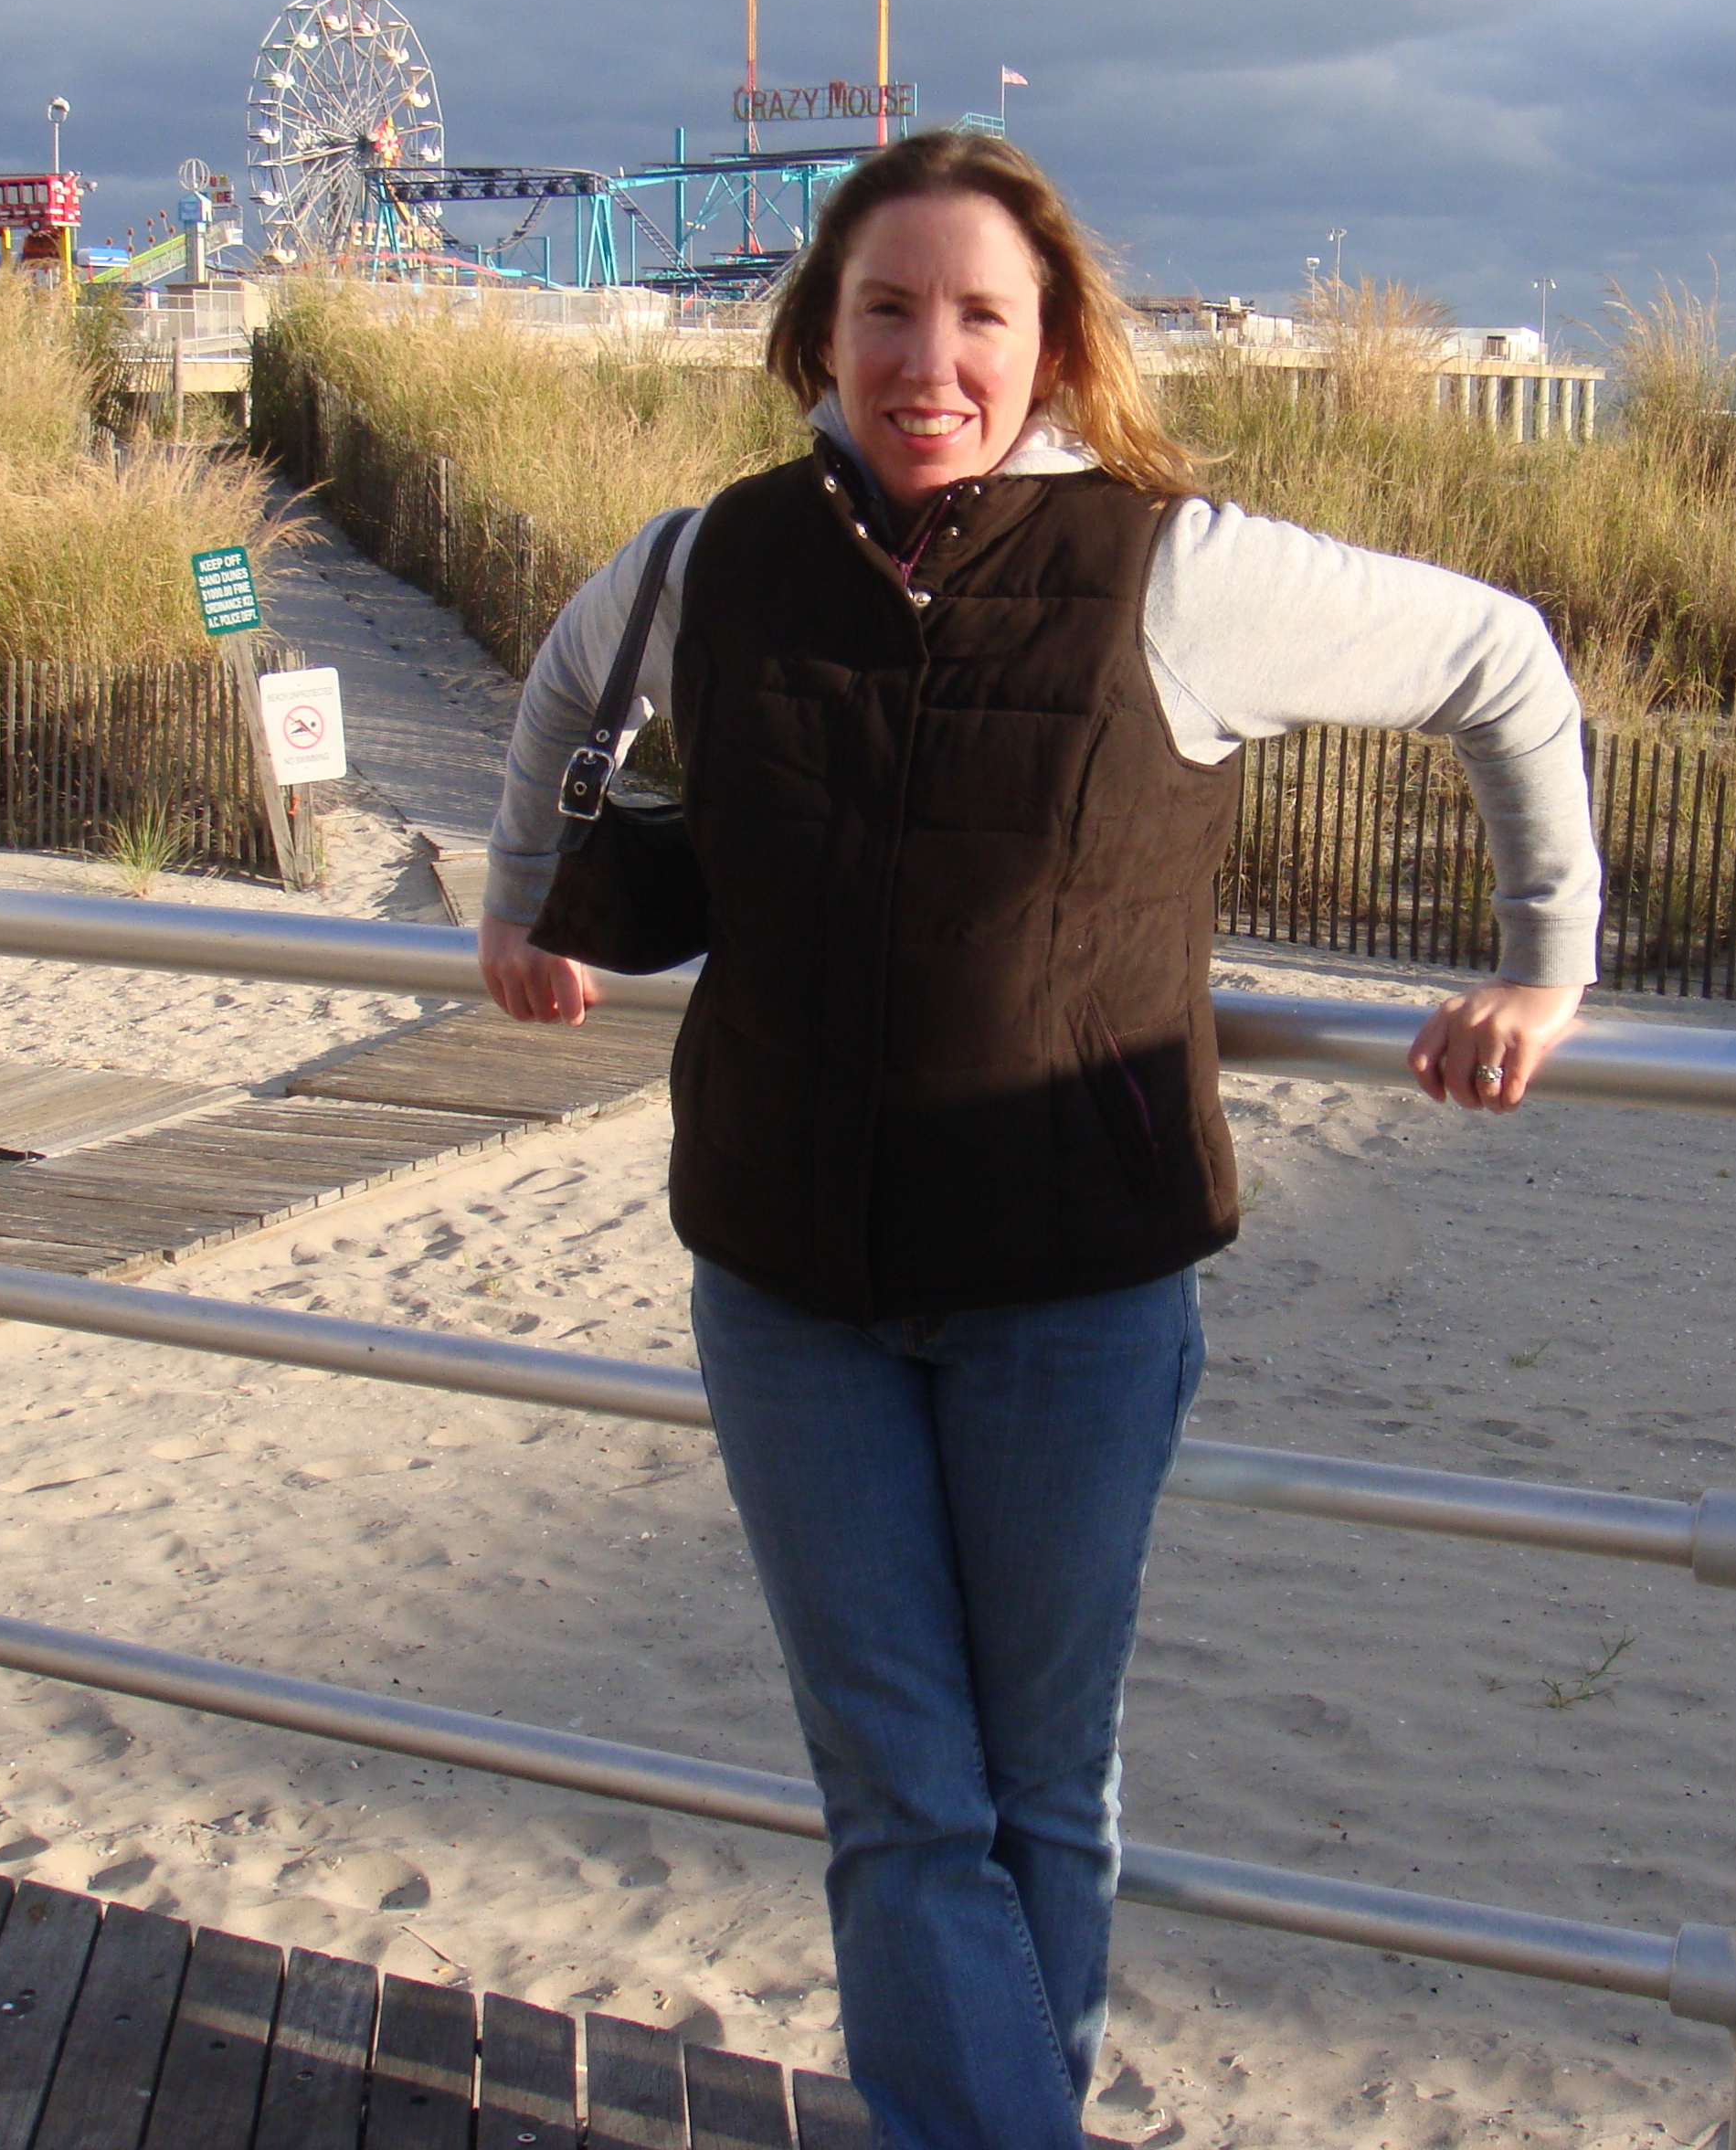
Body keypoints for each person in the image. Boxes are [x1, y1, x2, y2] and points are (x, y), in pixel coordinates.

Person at [477, 132, 1599, 2150]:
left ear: (1055, 338)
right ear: (816, 326)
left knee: (1036, 1787)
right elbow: (573, 680)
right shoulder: (709, 556)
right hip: (785, 1292)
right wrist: (511, 892)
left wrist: (1545, 964)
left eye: (981, 313)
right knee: (903, 1791)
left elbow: (1499, 656)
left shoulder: (1177, 569)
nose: (930, 356)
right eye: (887, 308)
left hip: (1072, 1308)